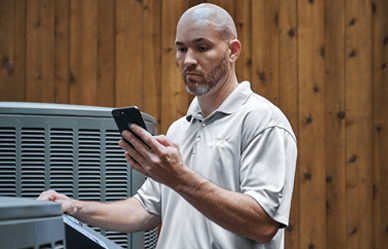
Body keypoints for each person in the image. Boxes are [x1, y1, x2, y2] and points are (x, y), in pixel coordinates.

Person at [38, 3, 297, 249]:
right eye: (182, 49)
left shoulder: (264, 121)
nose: (188, 61)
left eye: (202, 47)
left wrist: (178, 177)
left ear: (233, 51)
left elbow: (264, 225)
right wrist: (72, 206)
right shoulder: (178, 130)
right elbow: (145, 210)